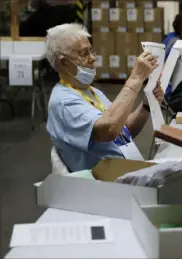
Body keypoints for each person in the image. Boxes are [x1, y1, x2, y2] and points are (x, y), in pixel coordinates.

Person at [45, 23, 164, 172]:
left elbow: (122, 128)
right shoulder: (63, 103)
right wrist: (135, 79)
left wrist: (146, 106)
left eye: (91, 51)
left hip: (125, 174)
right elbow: (108, 130)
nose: (93, 58)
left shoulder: (90, 91)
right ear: (64, 62)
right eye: (84, 53)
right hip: (103, 186)